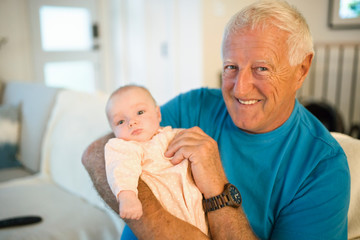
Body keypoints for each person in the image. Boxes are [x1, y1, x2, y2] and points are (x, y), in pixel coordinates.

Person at [82, 0, 350, 239]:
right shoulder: (197, 105)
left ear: (301, 70)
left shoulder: (323, 168)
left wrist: (218, 190)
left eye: (261, 69)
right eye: (231, 67)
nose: (240, 88)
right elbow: (97, 154)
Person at [104, 85, 208, 234]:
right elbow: (122, 169)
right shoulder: (126, 147)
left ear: (158, 114)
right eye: (120, 121)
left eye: (140, 112)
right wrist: (127, 197)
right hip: (166, 219)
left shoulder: (175, 135)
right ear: (113, 131)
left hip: (198, 213)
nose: (131, 122)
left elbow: (200, 149)